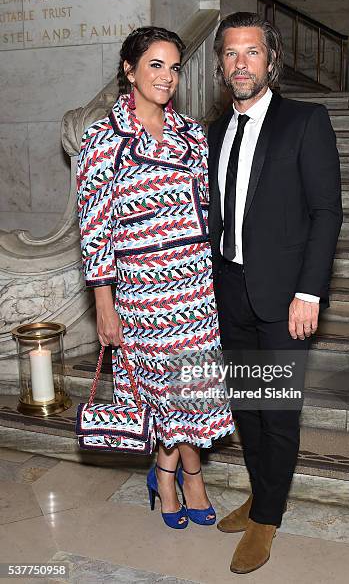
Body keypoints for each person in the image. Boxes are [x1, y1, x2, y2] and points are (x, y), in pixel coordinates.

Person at [76, 26, 235, 530]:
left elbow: (212, 213)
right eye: (155, 65)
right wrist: (104, 304)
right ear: (129, 70)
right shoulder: (104, 141)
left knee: (193, 390)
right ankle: (180, 478)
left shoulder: (193, 134)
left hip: (196, 286)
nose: (167, 77)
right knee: (162, 394)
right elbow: (94, 228)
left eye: (174, 67)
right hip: (142, 293)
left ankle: (176, 473)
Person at [208, 12, 342, 573]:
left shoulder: (305, 122)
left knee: (278, 411)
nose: (241, 64)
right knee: (247, 406)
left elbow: (326, 212)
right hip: (229, 288)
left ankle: (268, 517)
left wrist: (309, 292)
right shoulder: (213, 131)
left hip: (285, 295)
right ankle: (262, 492)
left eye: (252, 53)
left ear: (272, 61)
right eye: (231, 54)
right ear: (220, 65)